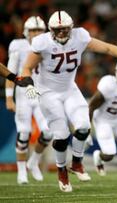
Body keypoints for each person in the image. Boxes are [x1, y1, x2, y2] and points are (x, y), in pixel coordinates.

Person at [21, 11, 117, 192]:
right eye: (58, 29)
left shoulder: (80, 36)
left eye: (65, 29)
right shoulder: (42, 42)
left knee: (83, 126)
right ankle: (61, 171)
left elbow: (108, 48)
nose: (62, 33)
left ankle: (77, 163)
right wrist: (29, 85)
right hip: (48, 92)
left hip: (69, 89)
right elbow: (27, 67)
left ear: (71, 28)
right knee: (62, 135)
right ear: (50, 30)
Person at [5, 16, 51, 184]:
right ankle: (21, 171)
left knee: (48, 131)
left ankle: (34, 162)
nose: (36, 33)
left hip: (42, 95)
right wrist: (9, 98)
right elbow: (10, 74)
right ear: (26, 32)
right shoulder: (18, 46)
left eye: (39, 30)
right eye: (33, 30)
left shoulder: (49, 45)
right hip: (24, 94)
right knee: (24, 133)